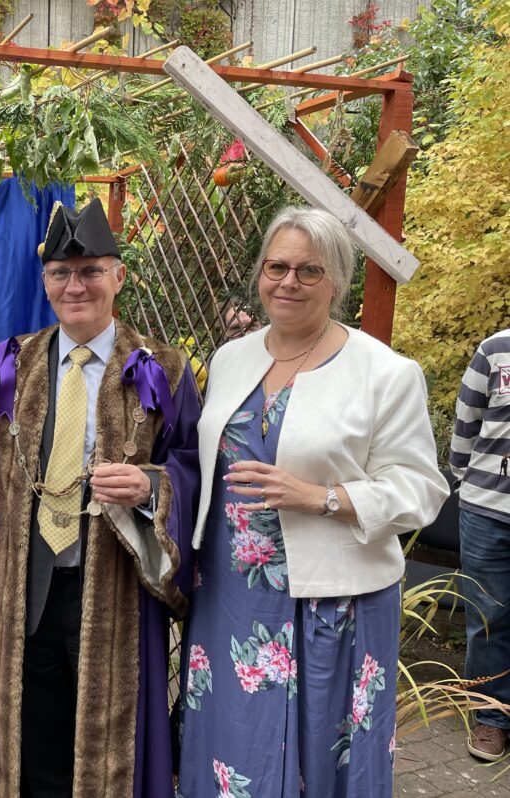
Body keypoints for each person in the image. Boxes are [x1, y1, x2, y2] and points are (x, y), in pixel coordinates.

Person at [176, 207, 448, 796]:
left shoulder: (386, 373)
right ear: (260, 273)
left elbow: (422, 489)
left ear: (337, 281)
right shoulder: (231, 359)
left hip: (332, 601)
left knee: (320, 758)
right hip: (232, 595)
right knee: (233, 742)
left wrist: (323, 497)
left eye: (308, 270)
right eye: (277, 266)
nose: (288, 281)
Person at [0, 198, 201, 797]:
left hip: (114, 592)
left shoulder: (162, 369)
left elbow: (193, 470)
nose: (74, 286)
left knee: (107, 737)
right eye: (60, 273)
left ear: (118, 277)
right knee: (30, 737)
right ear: (45, 281)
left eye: (89, 272)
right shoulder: (10, 366)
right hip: (24, 590)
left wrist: (150, 486)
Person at [450, 327, 510, 761]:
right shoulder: (495, 349)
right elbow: (466, 425)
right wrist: (467, 481)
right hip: (489, 510)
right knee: (490, 620)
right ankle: (492, 718)